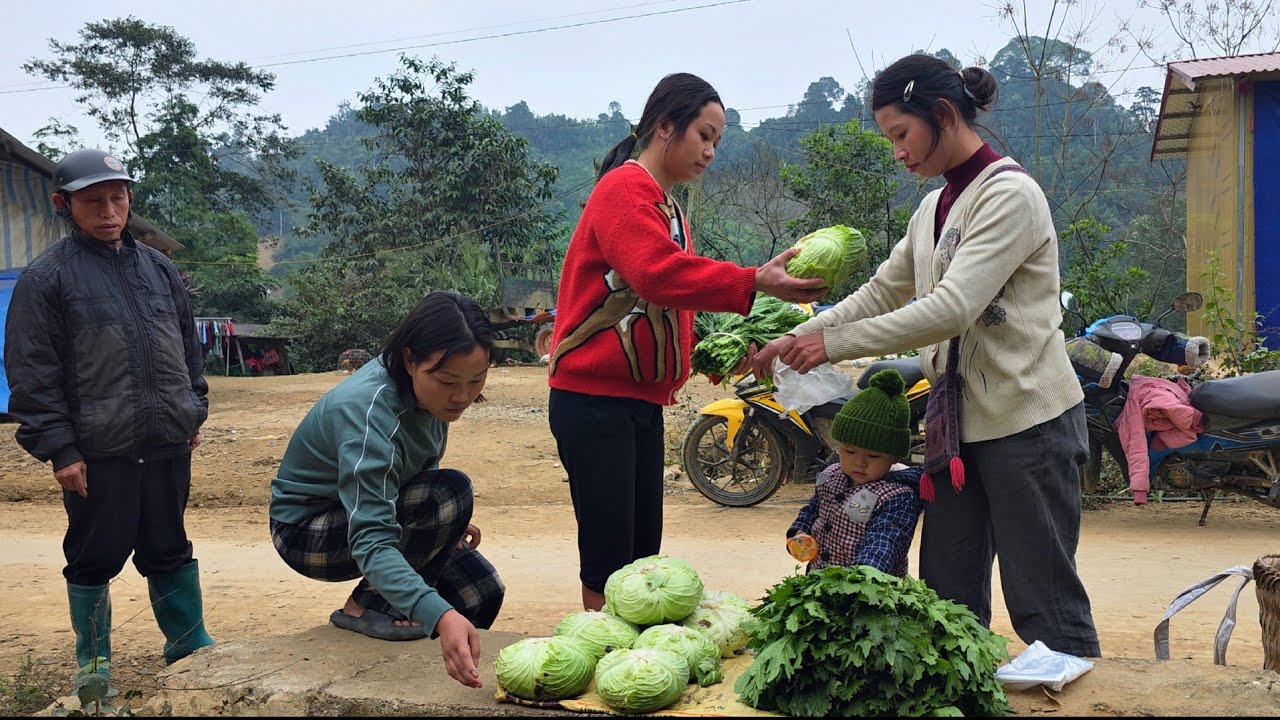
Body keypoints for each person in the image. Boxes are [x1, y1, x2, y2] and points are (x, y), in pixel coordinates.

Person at [751, 54, 1101, 657]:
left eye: (901, 134)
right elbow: (884, 291)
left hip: (1028, 422)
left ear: (941, 115)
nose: (898, 152)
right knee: (947, 594)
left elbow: (951, 308)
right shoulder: (934, 208)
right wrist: (800, 334)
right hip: (956, 430)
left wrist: (829, 345)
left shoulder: (1009, 195)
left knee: (1041, 598)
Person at [546, 72, 828, 612]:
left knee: (641, 555)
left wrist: (723, 348)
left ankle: (629, 652)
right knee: (610, 557)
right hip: (594, 401)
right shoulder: (624, 189)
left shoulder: (666, 204)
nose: (710, 151)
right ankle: (604, 649)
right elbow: (657, 274)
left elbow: (673, 300)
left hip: (636, 401)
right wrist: (752, 280)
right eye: (704, 135)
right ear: (665, 126)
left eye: (717, 141)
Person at [3, 149, 215, 692]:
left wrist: (194, 408)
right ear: (62, 204)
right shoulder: (47, 279)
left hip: (167, 440)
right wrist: (59, 448)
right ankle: (94, 667)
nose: (108, 210)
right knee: (95, 555)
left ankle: (188, 643)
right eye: (93, 200)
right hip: (98, 449)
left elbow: (188, 349)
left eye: (117, 197)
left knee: (169, 545)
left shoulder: (158, 268)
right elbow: (31, 373)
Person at [269, 290, 504, 689]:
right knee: (448, 494)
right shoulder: (367, 410)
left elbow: (415, 473)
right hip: (307, 532)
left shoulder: (428, 396)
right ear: (411, 359)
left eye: (475, 380)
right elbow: (372, 541)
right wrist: (439, 615)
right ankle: (365, 607)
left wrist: (447, 523)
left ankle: (423, 674)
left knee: (480, 591)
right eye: (448, 381)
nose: (462, 397)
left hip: (366, 514)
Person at [786, 369, 922, 576]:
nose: (859, 463)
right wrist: (799, 531)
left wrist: (862, 576)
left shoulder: (897, 496)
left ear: (894, 457)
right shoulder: (830, 475)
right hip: (820, 577)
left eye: (874, 456)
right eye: (849, 451)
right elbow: (813, 509)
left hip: (867, 590)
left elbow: (885, 540)